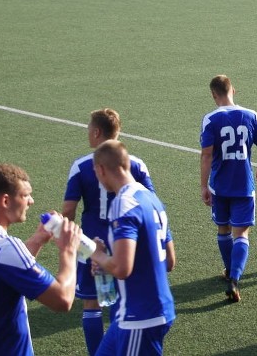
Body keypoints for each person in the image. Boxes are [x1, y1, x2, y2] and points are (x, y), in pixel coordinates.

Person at [0, 163, 81, 355]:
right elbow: (63, 299)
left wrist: (37, 240)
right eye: (25, 195)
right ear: (6, 201)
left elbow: (0, 271)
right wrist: (68, 250)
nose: (31, 201)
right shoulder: (5, 248)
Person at [62, 108, 156, 355]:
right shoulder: (136, 164)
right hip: (129, 241)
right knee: (124, 300)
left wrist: (70, 239)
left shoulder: (82, 165)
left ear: (96, 133)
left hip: (92, 243)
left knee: (91, 304)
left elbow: (69, 209)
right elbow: (150, 202)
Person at [89, 140, 175, 356]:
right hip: (136, 313)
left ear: (100, 170)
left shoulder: (122, 203)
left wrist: (98, 256)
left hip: (141, 316)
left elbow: (121, 268)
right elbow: (170, 260)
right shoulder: (152, 198)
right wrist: (107, 257)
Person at [200, 74, 257, 302]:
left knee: (223, 230)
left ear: (213, 95)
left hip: (219, 185)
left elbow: (207, 155)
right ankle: (235, 278)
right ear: (233, 90)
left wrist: (203, 185)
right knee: (241, 233)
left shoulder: (210, 119)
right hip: (243, 185)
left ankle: (229, 270)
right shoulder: (251, 115)